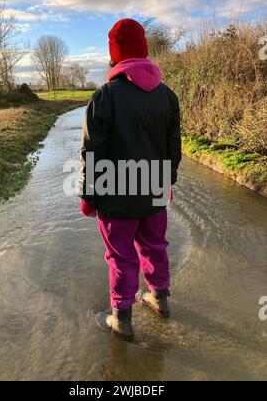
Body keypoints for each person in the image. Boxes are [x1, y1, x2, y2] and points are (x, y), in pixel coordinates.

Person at [78, 19, 182, 338]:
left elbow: (91, 152)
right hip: (152, 188)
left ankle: (121, 318)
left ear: (115, 55)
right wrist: (166, 182)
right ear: (144, 52)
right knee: (154, 245)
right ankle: (159, 298)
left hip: (115, 191)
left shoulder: (104, 97)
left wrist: (89, 196)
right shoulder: (167, 96)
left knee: (120, 255)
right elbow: (172, 149)